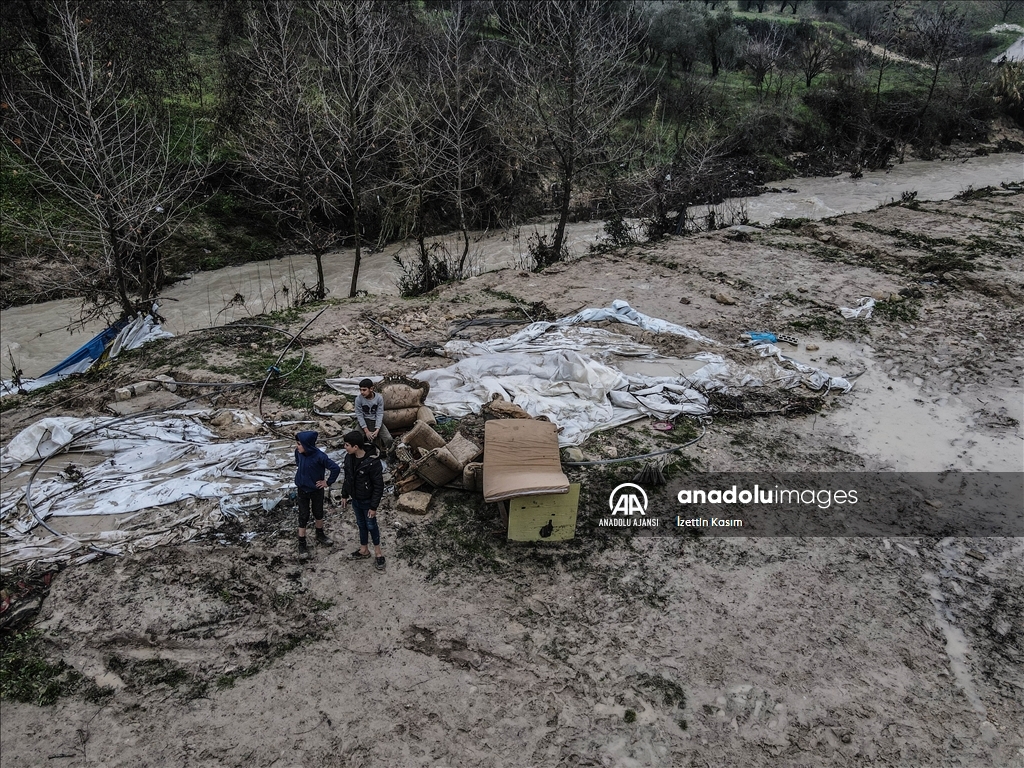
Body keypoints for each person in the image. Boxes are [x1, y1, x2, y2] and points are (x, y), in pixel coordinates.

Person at [339, 430, 386, 571]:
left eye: (347, 445)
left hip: (368, 501)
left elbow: (379, 486)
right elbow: (348, 478)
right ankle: (363, 549)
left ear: (356, 447)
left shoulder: (372, 462)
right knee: (361, 524)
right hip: (356, 500)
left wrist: (373, 506)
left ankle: (378, 553)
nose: (344, 447)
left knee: (371, 525)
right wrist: (344, 494)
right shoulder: (349, 458)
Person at [294, 430, 341, 561]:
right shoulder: (299, 452)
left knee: (318, 512)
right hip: (302, 489)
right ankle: (302, 543)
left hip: (316, 490)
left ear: (307, 445)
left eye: (299, 444)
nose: (297, 447)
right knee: (303, 515)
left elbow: (335, 468)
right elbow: (298, 462)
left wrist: (328, 482)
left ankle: (319, 534)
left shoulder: (320, 457)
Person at [354, 378, 393, 454]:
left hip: (376, 421)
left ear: (371, 389)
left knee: (389, 439)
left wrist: (377, 429)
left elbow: (379, 413)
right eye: (360, 390)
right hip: (364, 421)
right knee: (354, 439)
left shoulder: (379, 398)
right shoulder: (358, 399)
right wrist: (367, 431)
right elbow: (359, 415)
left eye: (364, 390)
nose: (362, 392)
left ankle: (390, 456)